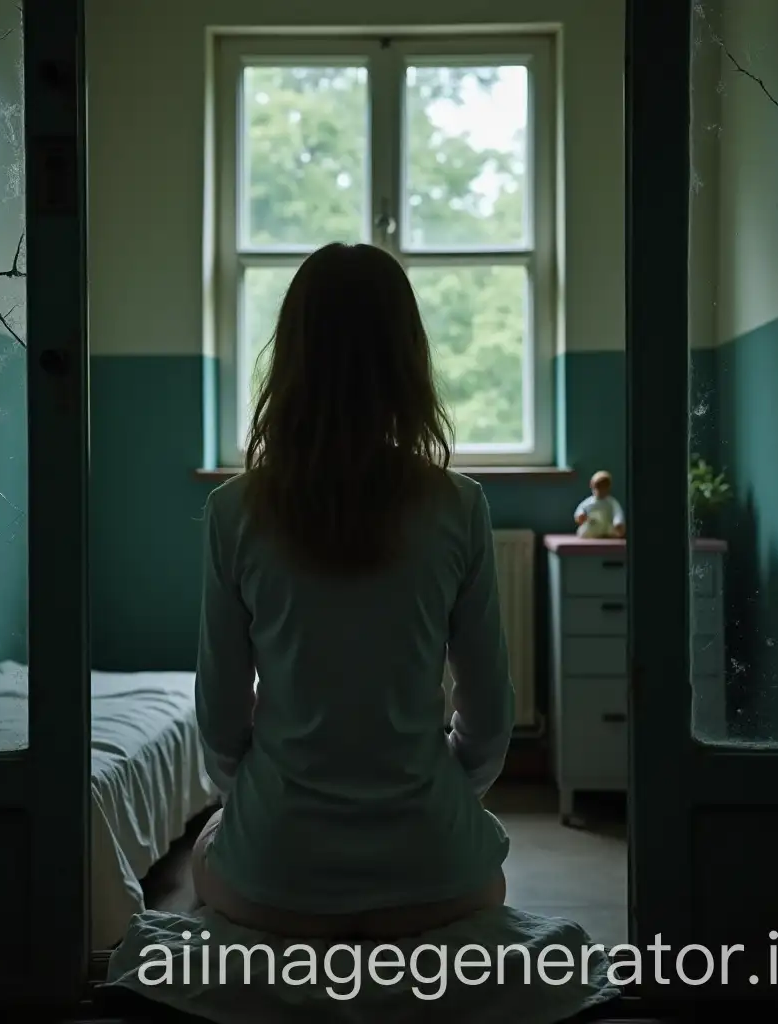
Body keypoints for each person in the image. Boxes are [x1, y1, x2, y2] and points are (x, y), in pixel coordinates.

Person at [192, 241, 515, 940]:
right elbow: (488, 720)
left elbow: (219, 726)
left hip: (278, 869)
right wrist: (443, 796)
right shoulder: (460, 507)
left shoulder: (232, 512)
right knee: (487, 865)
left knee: (206, 853)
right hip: (435, 869)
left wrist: (258, 806)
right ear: (408, 361)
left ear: (291, 360)